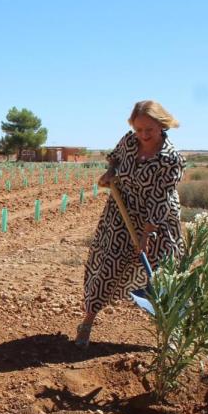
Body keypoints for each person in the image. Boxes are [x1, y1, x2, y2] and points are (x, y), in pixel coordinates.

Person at [76, 100, 185, 348]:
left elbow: (161, 198)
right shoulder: (129, 140)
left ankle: (171, 332)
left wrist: (146, 234)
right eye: (139, 129)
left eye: (149, 130)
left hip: (158, 220)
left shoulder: (171, 159)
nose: (143, 135)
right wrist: (110, 173)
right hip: (122, 213)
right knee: (107, 266)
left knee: (161, 275)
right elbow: (114, 159)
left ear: (161, 125)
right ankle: (87, 322)